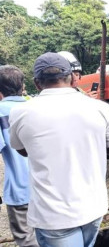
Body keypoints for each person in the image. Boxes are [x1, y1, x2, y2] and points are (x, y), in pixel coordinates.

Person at [9, 52, 109, 246]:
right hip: (93, 208)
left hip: (53, 216)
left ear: (37, 83)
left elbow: (22, 150)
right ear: (71, 78)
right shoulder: (100, 108)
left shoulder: (20, 113)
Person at [0, 65, 38, 246]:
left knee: (26, 240)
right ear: (22, 85)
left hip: (20, 189)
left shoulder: (1, 112)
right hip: (51, 188)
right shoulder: (37, 107)